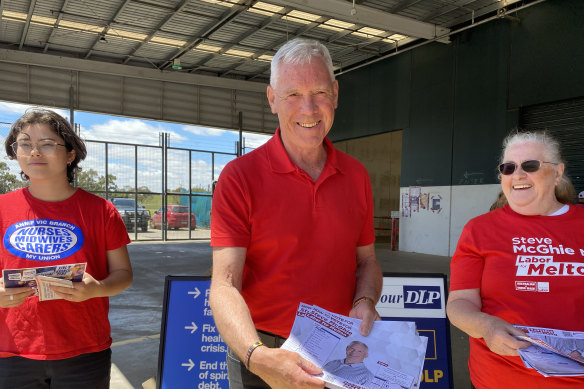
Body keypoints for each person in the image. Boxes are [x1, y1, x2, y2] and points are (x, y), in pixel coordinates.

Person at [209, 38, 382, 388]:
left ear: (335, 94)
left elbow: (366, 261)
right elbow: (224, 284)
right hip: (262, 350)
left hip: (337, 348)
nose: (308, 108)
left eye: (319, 92)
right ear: (272, 99)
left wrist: (365, 300)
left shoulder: (357, 175)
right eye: (292, 95)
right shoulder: (239, 177)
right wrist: (256, 355)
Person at [0, 109, 133, 389]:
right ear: (15, 153)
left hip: (84, 352)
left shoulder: (101, 211)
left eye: (47, 144)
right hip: (10, 352)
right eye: (25, 144)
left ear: (70, 154)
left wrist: (96, 289)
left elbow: (123, 274)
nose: (34, 152)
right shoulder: (2, 209)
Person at [446, 130, 584, 388]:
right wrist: (486, 327)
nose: (517, 175)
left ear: (557, 172)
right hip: (500, 378)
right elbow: (459, 304)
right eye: (508, 168)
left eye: (530, 166)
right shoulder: (479, 229)